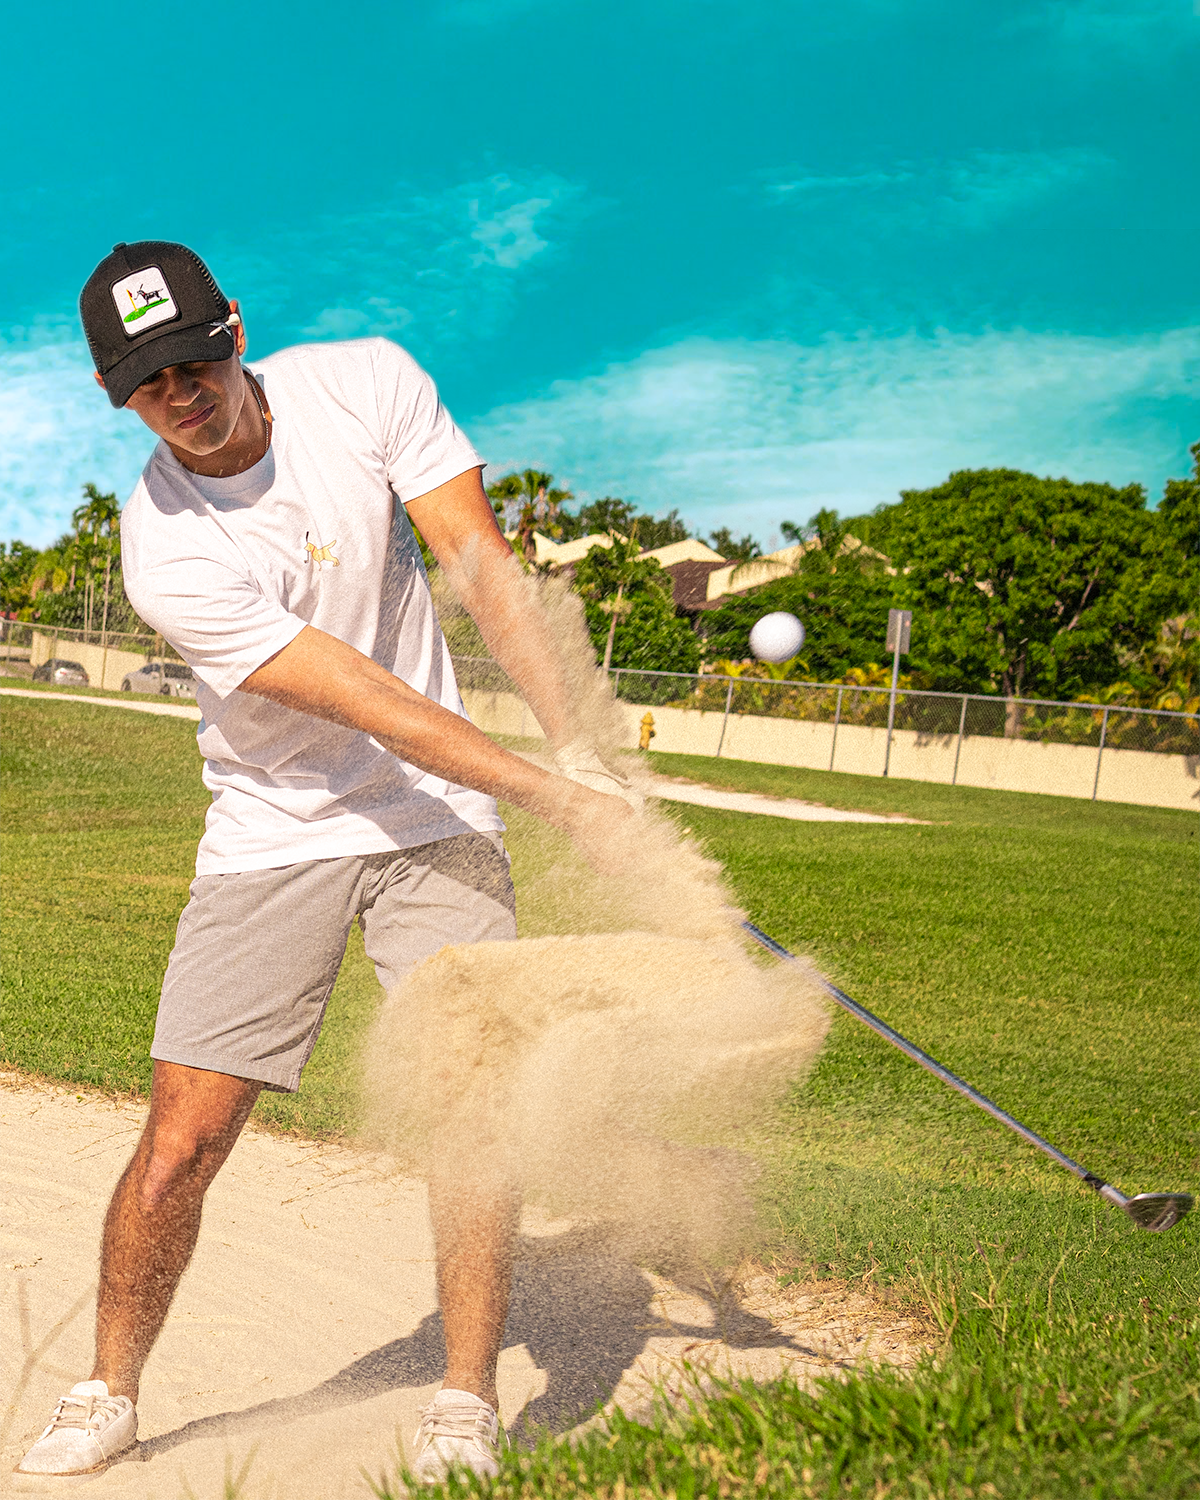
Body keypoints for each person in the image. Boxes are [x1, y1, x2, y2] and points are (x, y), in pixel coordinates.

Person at [15, 241, 638, 1487]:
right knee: (186, 1140)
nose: (184, 392)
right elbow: (360, 698)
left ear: (236, 330)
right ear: (115, 396)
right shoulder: (165, 545)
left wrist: (582, 742)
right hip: (274, 832)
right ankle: (110, 1389)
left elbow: (481, 568)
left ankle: (465, 1396)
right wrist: (549, 792)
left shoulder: (364, 382)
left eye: (196, 356)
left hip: (435, 829)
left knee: (474, 1110)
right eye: (150, 381)